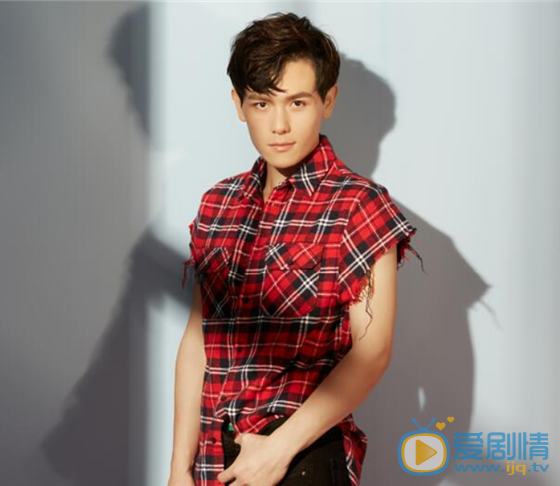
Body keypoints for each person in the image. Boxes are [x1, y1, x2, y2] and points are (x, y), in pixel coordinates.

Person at [168, 12, 424, 486]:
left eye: (298, 102)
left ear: (328, 100)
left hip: (301, 457)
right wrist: (179, 468)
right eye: (262, 103)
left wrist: (278, 450)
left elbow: (373, 351)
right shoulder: (218, 204)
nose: (279, 124)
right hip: (215, 461)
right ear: (239, 105)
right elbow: (197, 341)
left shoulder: (358, 205)